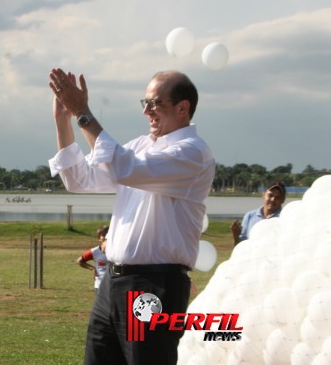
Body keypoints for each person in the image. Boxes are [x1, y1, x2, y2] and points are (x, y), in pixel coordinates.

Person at [48, 68, 215, 365]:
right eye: (145, 103)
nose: (147, 111)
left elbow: (127, 169)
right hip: (113, 282)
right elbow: (79, 180)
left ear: (183, 107)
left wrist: (82, 112)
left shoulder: (193, 152)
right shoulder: (140, 146)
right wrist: (64, 120)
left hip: (154, 285)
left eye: (155, 103)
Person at [230, 181, 286, 246]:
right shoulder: (250, 216)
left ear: (283, 200)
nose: (273, 199)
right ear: (264, 195)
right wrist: (236, 236)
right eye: (270, 195)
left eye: (277, 197)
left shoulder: (284, 218)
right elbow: (241, 248)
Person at [77, 225, 109, 294]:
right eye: (104, 235)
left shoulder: (118, 252)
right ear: (99, 238)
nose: (107, 237)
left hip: (114, 284)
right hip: (100, 285)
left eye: (108, 234)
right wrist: (92, 268)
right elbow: (79, 261)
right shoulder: (94, 252)